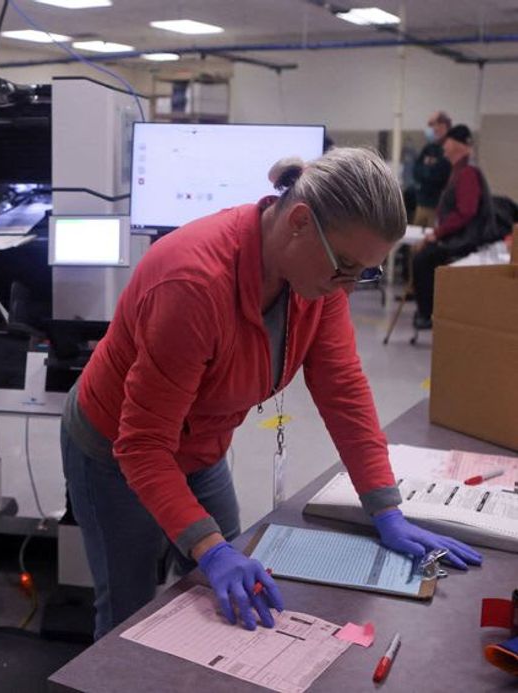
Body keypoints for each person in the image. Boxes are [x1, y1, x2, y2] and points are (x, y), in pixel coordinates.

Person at [61, 147, 483, 640]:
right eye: (345, 266)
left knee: (223, 591)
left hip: (201, 446)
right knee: (128, 611)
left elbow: (343, 390)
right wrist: (211, 549)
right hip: (114, 450)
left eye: (363, 273)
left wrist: (384, 505)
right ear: (300, 221)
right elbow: (142, 446)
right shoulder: (192, 284)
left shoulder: (316, 283)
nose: (346, 289)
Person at [411, 124, 494, 330]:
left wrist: (437, 234)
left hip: (464, 240)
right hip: (457, 236)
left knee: (423, 258)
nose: (444, 148)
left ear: (456, 145)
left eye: (447, 142)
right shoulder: (459, 170)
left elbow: (466, 211)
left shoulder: (466, 173)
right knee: (423, 254)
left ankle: (427, 313)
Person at [412, 111, 452, 228]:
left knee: (433, 242)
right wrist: (429, 170)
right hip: (422, 203)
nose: (429, 129)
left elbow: (441, 174)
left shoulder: (450, 148)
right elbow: (416, 171)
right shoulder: (429, 148)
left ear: (443, 126)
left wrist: (427, 169)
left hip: (439, 206)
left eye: (431, 124)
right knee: (415, 242)